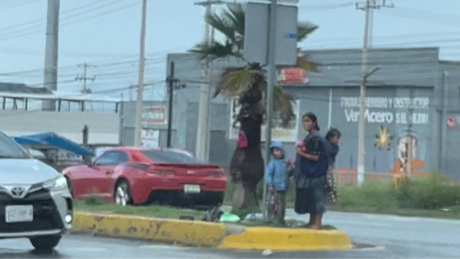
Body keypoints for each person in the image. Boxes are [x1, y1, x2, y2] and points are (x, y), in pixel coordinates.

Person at [294, 112, 329, 230]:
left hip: (316, 174)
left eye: (308, 121)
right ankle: (311, 222)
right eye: (303, 121)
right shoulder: (309, 137)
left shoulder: (316, 138)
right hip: (309, 173)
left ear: (314, 123)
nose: (305, 124)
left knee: (317, 198)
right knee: (311, 199)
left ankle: (317, 223)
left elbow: (316, 157)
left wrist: (301, 153)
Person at [265, 142, 294, 225]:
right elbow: (269, 175)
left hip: (283, 188)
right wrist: (270, 184)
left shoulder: (285, 163)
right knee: (272, 203)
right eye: (276, 150)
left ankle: (280, 219)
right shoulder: (272, 164)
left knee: (281, 204)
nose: (278, 152)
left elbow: (287, 173)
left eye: (279, 150)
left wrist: (291, 167)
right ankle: (271, 218)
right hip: (274, 188)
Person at [325, 128, 341, 205]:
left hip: (328, 170)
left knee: (331, 188)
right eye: (336, 138)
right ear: (330, 138)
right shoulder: (324, 144)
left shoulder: (334, 148)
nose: (337, 140)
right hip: (321, 170)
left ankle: (331, 202)